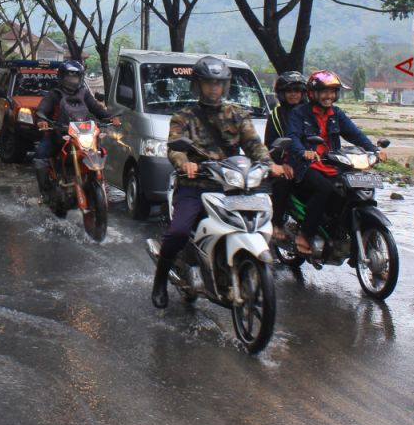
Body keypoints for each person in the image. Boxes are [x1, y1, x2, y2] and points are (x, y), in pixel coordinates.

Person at [152, 56, 286, 308]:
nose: (214, 88)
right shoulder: (183, 116)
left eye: (218, 83)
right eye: (208, 83)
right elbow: (174, 148)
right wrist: (185, 164)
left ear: (224, 86)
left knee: (257, 222)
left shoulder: (237, 115)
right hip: (195, 184)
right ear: (198, 85)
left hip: (232, 185)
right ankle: (160, 279)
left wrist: (269, 164)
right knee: (179, 231)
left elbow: (254, 146)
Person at [286, 70, 387, 258]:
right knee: (325, 189)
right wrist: (303, 152)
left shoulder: (337, 114)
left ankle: (350, 233)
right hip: (307, 166)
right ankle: (305, 233)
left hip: (333, 164)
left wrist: (374, 150)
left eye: (333, 92)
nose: (329, 96)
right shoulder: (299, 113)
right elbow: (292, 137)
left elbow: (355, 134)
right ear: (312, 93)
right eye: (324, 91)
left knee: (355, 188)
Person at [32, 59, 118, 194]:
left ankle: (97, 181)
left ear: (80, 78)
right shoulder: (54, 94)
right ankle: (46, 192)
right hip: (58, 134)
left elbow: (97, 109)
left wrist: (110, 117)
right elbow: (42, 109)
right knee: (40, 156)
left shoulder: (84, 93)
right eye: (68, 77)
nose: (72, 81)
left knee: (98, 151)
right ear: (61, 77)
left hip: (82, 134)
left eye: (75, 78)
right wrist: (41, 120)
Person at [265, 71, 306, 239]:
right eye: (289, 91)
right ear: (282, 94)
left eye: (297, 90)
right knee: (282, 182)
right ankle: (277, 223)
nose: (294, 94)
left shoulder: (309, 111)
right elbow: (270, 144)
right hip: (284, 161)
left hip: (309, 160)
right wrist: (281, 164)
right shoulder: (276, 115)